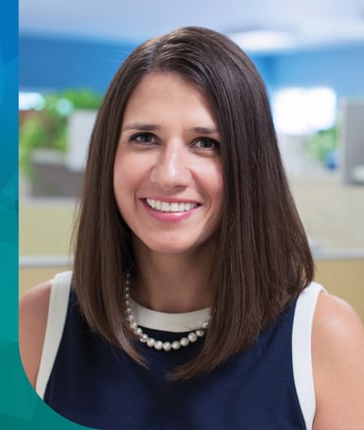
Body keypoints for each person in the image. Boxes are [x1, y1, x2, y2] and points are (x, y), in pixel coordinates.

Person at [19, 26, 364, 429]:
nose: (169, 175)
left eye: (206, 143)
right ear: (108, 156)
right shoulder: (39, 321)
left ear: (251, 166)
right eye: (145, 138)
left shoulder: (323, 334)